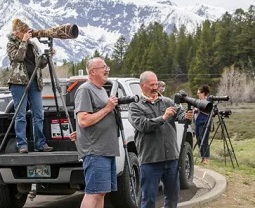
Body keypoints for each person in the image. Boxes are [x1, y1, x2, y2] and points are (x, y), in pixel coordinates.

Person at [128, 71, 193, 208]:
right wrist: (163, 117)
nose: (155, 87)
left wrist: (187, 116)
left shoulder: (167, 101)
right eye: (151, 84)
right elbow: (143, 125)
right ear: (142, 85)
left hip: (171, 159)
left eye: (156, 84)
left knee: (173, 196)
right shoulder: (135, 106)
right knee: (148, 199)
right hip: (150, 160)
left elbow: (180, 116)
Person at [74, 57, 120, 208]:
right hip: (95, 151)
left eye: (107, 67)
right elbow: (84, 120)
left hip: (106, 150)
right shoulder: (85, 89)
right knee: (93, 193)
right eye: (103, 67)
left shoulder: (101, 90)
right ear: (92, 71)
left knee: (101, 192)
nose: (107, 69)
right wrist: (107, 108)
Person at [7, 18, 53, 153]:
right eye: (24, 32)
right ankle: (22, 144)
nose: (28, 34)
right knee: (20, 114)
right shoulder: (11, 44)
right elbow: (18, 57)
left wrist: (48, 56)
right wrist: (24, 42)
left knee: (38, 113)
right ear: (18, 33)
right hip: (18, 83)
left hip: (34, 81)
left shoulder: (33, 45)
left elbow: (40, 63)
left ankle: (40, 143)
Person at [194, 85, 211, 164]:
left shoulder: (208, 101)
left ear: (204, 93)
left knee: (204, 140)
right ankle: (202, 157)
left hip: (204, 122)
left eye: (199, 93)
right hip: (197, 122)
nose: (198, 94)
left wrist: (199, 109)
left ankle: (206, 158)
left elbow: (210, 112)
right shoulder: (197, 101)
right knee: (199, 139)